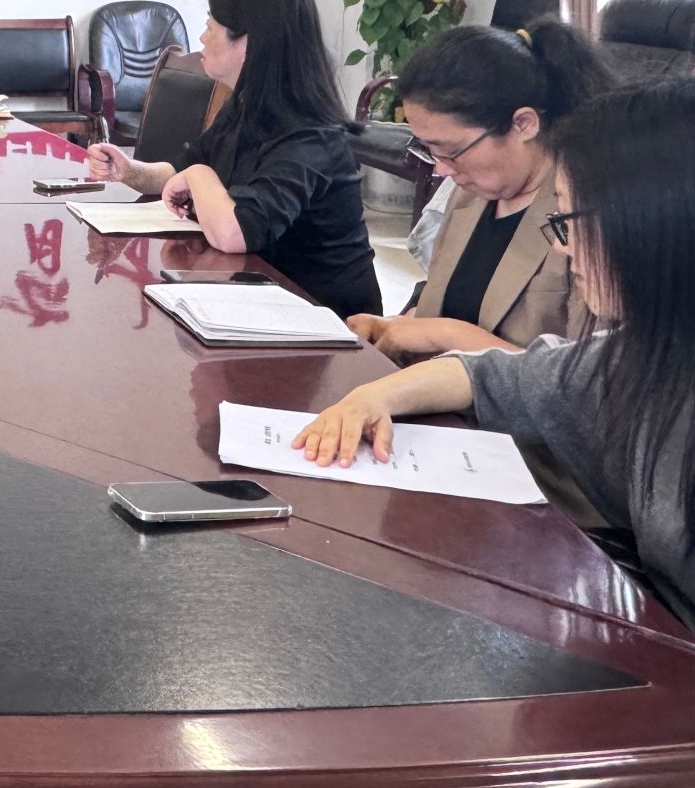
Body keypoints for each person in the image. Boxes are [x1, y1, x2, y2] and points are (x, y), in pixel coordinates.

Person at [293, 80, 695, 628]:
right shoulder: (642, 352)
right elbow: (493, 377)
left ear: (655, 221)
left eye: (571, 222)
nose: (564, 248)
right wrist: (372, 398)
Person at [86, 0, 381, 319]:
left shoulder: (310, 134)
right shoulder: (246, 105)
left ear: (248, 41)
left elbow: (235, 232)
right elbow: (181, 171)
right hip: (256, 295)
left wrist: (198, 175)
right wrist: (129, 171)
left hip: (323, 318)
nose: (202, 37)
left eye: (211, 26)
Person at [349, 21, 611, 360]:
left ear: (523, 124)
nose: (442, 169)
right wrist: (392, 327)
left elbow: (583, 374)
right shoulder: (469, 193)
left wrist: (446, 335)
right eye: (430, 150)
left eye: (451, 151)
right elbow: (445, 304)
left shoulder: (583, 216)